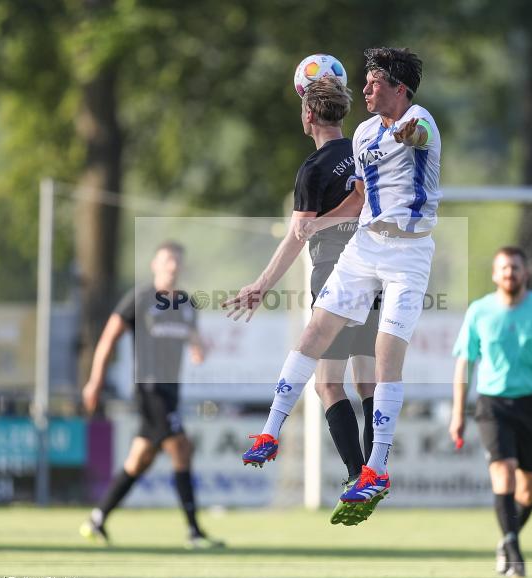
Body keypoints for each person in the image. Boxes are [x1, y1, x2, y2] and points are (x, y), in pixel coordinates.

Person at [233, 47, 441, 522]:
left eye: (374, 82)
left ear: (399, 88)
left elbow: (420, 134)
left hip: (407, 253)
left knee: (381, 365)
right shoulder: (363, 134)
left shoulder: (419, 118)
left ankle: (374, 470)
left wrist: (410, 134)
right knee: (314, 339)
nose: (367, 89)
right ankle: (270, 431)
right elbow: (362, 195)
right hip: (364, 248)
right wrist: (331, 221)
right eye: (362, 82)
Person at [223, 76, 380, 526]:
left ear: (308, 114)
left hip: (335, 274)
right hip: (377, 270)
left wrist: (262, 283)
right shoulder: (366, 148)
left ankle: (356, 474)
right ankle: (373, 471)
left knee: (328, 383)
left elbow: (299, 236)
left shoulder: (313, 169)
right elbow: (366, 202)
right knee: (367, 380)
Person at [79, 241, 223, 550]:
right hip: (148, 389)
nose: (172, 266)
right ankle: (194, 533)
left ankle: (97, 519)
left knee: (139, 460)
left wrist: (200, 349)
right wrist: (95, 381)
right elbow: (107, 340)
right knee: (182, 448)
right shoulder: (140, 299)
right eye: (167, 260)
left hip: (171, 391)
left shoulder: (186, 303)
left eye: (177, 261)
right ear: (155, 265)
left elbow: (195, 342)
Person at [448, 246, 532, 578]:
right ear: (494, 274)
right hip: (492, 404)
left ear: (525, 273)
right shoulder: (479, 311)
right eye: (503, 268)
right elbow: (465, 364)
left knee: (528, 486)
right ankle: (514, 552)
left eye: (515, 268)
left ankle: (507, 539)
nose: (509, 274)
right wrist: (458, 413)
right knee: (504, 469)